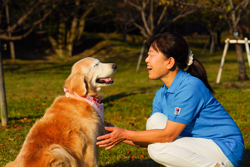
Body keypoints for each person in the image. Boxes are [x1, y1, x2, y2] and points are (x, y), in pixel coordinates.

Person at [96, 32, 244, 167]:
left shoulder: (190, 87)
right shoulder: (161, 94)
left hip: (225, 148)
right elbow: (154, 138)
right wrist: (114, 134)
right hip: (199, 144)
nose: (146, 60)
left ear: (169, 62)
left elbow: (168, 135)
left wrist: (125, 134)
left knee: (156, 149)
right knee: (154, 121)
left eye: (152, 55)